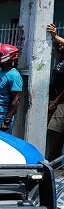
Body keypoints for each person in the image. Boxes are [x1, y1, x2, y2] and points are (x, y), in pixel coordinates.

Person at [46, 23, 64, 160]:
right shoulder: (60, 60)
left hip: (61, 102)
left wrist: (55, 35)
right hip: (55, 100)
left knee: (55, 131)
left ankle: (53, 162)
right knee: (52, 132)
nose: (61, 47)